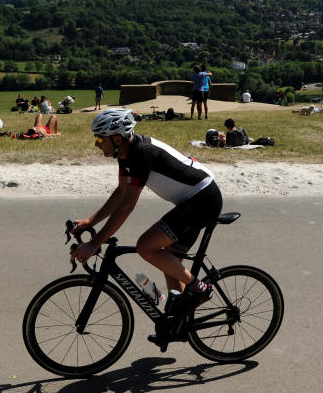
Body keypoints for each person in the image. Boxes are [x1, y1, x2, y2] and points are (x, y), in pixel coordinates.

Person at [71, 108, 222, 348]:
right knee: (169, 263)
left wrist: (94, 243)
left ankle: (199, 288)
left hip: (202, 199)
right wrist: (91, 221)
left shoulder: (141, 154)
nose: (96, 145)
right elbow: (121, 193)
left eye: (100, 139)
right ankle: (178, 325)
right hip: (191, 200)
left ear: (117, 139)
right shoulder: (126, 153)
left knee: (146, 246)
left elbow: (127, 207)